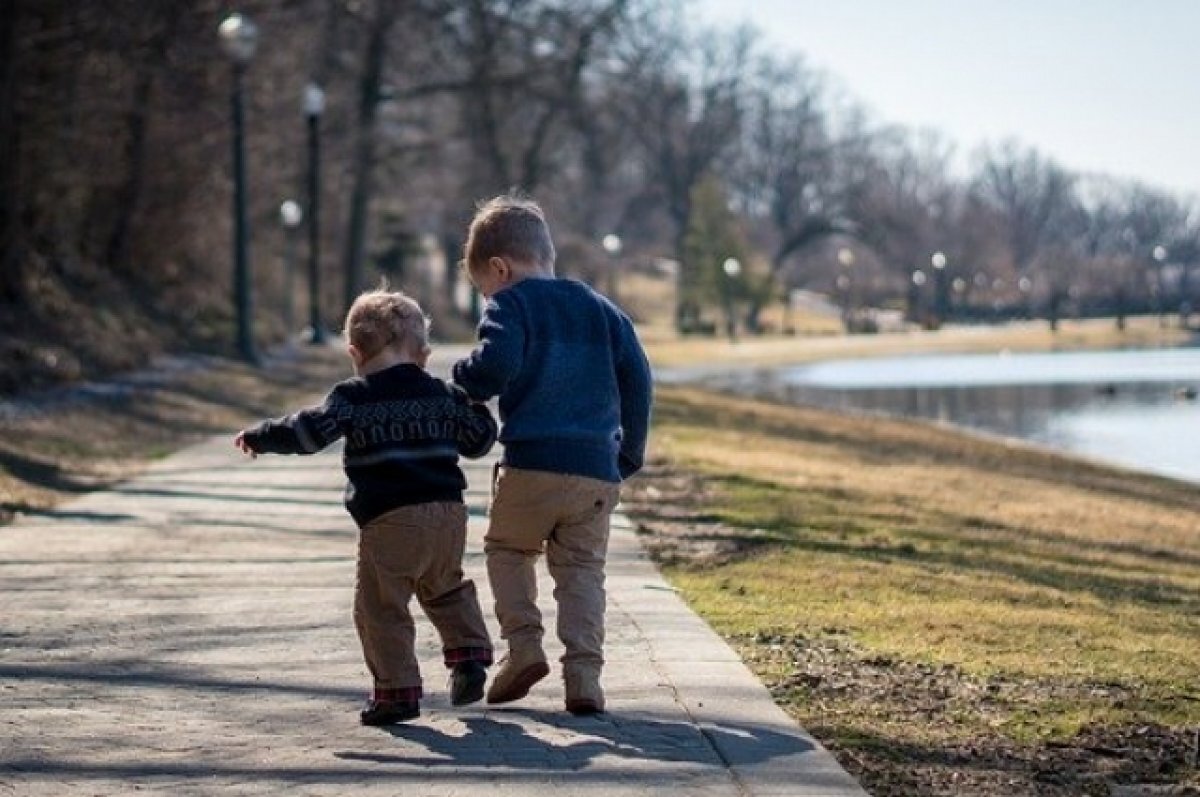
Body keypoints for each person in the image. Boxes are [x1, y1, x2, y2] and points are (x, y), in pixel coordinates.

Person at [235, 288, 497, 726]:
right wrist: (480, 407)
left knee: (381, 606)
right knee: (445, 586)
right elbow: (479, 441)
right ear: (423, 354)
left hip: (391, 519)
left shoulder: (352, 397)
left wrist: (263, 435)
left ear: (354, 352)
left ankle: (397, 692)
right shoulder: (442, 393)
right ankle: (469, 657)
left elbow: (308, 433)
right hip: (448, 515)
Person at [452, 195, 653, 715]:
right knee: (583, 571)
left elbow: (495, 367)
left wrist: (463, 379)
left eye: (483, 288)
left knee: (508, 550)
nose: (486, 297)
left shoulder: (511, 303)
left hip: (532, 463)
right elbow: (639, 379)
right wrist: (628, 452)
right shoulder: (602, 309)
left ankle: (523, 647)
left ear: (501, 268)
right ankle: (584, 678)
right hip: (595, 470)